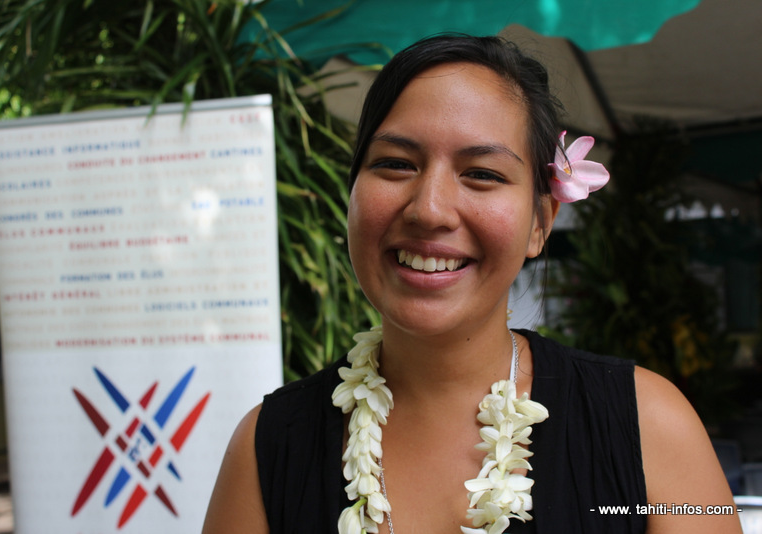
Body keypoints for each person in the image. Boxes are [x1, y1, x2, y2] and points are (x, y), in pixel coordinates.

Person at [203, 34, 741, 534]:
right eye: (394, 163)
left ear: (540, 223)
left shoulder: (649, 427)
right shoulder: (268, 447)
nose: (430, 209)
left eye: (482, 173)